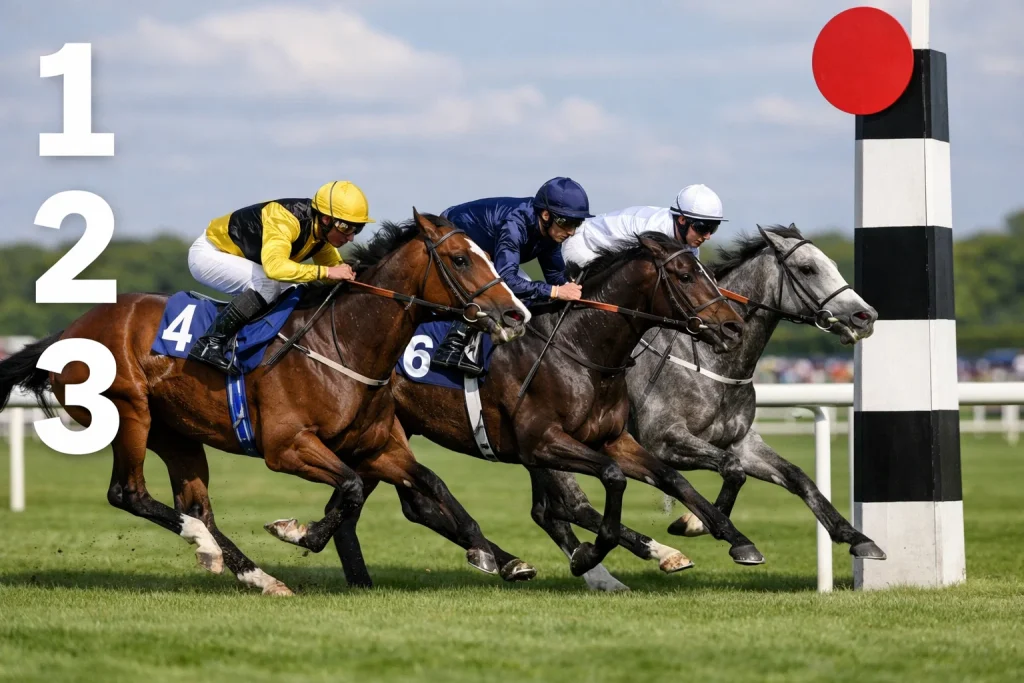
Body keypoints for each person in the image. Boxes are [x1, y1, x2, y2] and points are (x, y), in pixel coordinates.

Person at [186, 180, 373, 372]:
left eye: (357, 229)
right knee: (267, 284)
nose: (351, 237)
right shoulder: (286, 219)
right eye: (346, 227)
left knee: (294, 290)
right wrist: (326, 271)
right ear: (326, 219)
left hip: (239, 260)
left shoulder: (321, 236)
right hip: (209, 254)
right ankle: (210, 343)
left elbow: (333, 274)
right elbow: (275, 269)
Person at [431, 176, 594, 376]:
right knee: (496, 288)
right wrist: (555, 291)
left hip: (487, 250)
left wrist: (577, 291)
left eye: (577, 224)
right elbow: (507, 280)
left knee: (532, 293)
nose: (571, 232)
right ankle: (451, 347)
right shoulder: (515, 226)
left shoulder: (551, 235)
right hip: (453, 233)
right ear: (546, 215)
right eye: (567, 223)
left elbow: (555, 276)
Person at [561, 183, 726, 268]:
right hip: (584, 246)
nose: (707, 236)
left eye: (713, 228)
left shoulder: (689, 242)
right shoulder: (654, 231)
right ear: (682, 220)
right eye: (703, 228)